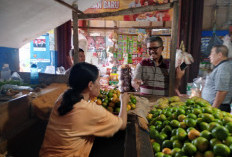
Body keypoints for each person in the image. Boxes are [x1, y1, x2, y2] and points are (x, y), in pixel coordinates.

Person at [40, 62, 129, 157]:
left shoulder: (63, 97)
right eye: (98, 81)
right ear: (90, 85)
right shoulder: (89, 110)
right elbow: (122, 124)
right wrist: (123, 101)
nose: (100, 85)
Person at [202, 45, 232, 112]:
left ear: (220, 55)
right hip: (215, 106)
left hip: (218, 107)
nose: (209, 56)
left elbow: (222, 91)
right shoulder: (222, 66)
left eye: (211, 53)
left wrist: (213, 110)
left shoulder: (223, 68)